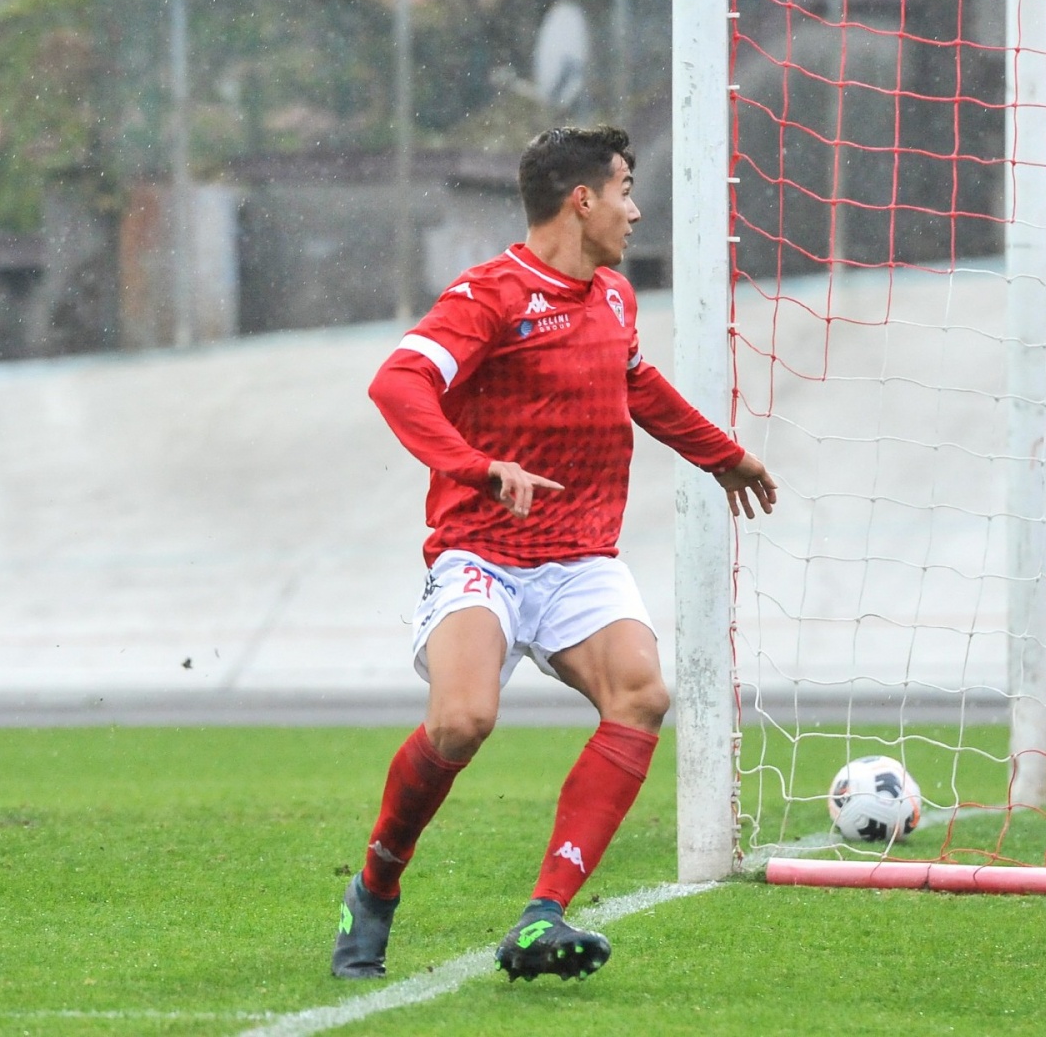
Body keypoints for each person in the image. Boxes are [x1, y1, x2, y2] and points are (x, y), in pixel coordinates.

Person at [332, 125, 777, 982]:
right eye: (624, 190)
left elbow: (633, 381)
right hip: (481, 550)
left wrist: (723, 454)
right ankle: (376, 884)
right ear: (582, 200)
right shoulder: (491, 293)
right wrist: (475, 466)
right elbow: (398, 381)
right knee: (463, 721)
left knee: (642, 694)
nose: (634, 210)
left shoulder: (613, 296)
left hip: (578, 556)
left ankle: (543, 917)